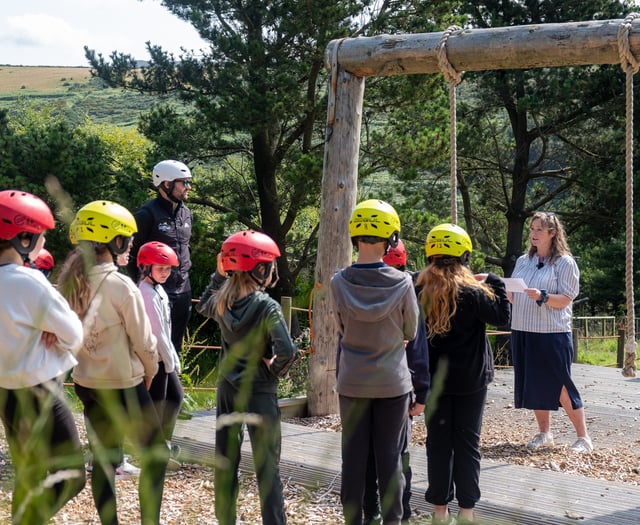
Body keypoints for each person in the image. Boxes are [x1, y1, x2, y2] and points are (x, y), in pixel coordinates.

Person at [57, 200, 169, 525]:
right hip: (125, 386)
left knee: (103, 461)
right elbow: (146, 344)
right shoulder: (122, 287)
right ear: (112, 240)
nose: (131, 243)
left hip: (86, 384)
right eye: (127, 237)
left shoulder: (69, 284)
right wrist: (148, 375)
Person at [330, 199, 426, 525]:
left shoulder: (338, 282)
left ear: (354, 235)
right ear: (392, 238)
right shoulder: (402, 283)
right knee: (389, 460)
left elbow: (341, 328)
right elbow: (411, 330)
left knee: (353, 460)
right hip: (392, 382)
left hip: (353, 381)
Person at [196, 230, 298, 525]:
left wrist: (218, 277)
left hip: (227, 389)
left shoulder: (222, 301)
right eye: (271, 266)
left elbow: (202, 306)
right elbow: (288, 351)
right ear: (260, 268)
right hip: (260, 393)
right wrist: (270, 371)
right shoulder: (267, 307)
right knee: (268, 469)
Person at [0, 189, 86, 525]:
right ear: (23, 237)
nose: (42, 242)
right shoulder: (30, 280)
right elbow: (74, 334)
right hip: (41, 391)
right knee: (72, 475)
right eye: (40, 236)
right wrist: (52, 334)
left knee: (28, 474)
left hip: (6, 393)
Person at [415, 223, 510, 525]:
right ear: (464, 256)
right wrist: (495, 280)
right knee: (468, 444)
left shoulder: (418, 289)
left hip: (434, 381)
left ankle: (439, 512)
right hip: (471, 381)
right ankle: (467, 511)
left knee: (438, 444)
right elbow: (502, 318)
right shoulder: (474, 291)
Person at [509, 211, 592, 453]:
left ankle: (584, 438)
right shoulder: (523, 261)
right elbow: (515, 295)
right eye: (532, 229)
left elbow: (566, 299)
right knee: (534, 383)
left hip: (552, 333)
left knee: (561, 385)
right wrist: (508, 292)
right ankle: (545, 433)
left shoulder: (565, 262)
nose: (533, 234)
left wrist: (543, 296)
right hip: (523, 329)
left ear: (552, 234)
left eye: (539, 230)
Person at [363, 238, 428, 525]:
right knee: (398, 452)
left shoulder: (355, 290)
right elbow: (417, 348)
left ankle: (370, 511)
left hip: (361, 384)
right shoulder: (407, 295)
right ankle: (402, 509)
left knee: (366, 454)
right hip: (397, 386)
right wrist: (422, 391)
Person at [127, 159, 194, 355]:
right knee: (153, 348)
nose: (188, 187)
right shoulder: (147, 214)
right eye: (184, 182)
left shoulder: (187, 213)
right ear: (167, 183)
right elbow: (131, 253)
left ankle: (173, 384)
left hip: (183, 291)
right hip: (156, 291)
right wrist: (142, 284)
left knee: (175, 348)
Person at [137, 241, 185, 470]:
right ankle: (153, 452)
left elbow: (166, 329)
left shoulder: (159, 289)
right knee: (158, 404)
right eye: (160, 269)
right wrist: (170, 362)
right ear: (146, 268)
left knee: (174, 398)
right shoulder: (146, 293)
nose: (165, 273)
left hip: (163, 357)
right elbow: (157, 331)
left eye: (167, 269)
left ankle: (162, 445)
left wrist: (172, 358)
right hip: (154, 359)